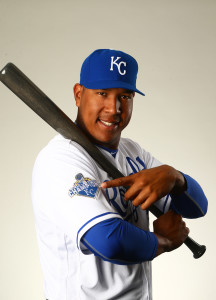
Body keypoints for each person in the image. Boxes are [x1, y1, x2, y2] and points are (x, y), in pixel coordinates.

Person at [32, 49, 208, 300]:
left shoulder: (132, 152)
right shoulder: (60, 158)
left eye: (124, 96)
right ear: (79, 94)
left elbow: (197, 208)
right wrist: (164, 241)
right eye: (102, 93)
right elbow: (108, 239)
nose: (114, 108)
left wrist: (175, 178)